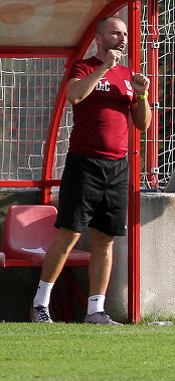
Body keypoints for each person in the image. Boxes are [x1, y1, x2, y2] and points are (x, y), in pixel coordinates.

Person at [30, 17, 151, 324]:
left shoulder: (128, 75)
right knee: (70, 233)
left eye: (125, 33)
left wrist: (142, 95)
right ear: (99, 38)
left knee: (106, 238)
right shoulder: (85, 68)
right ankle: (40, 305)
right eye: (115, 33)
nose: (122, 38)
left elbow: (143, 123)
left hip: (117, 167)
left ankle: (95, 310)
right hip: (84, 163)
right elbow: (75, 95)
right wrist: (104, 68)